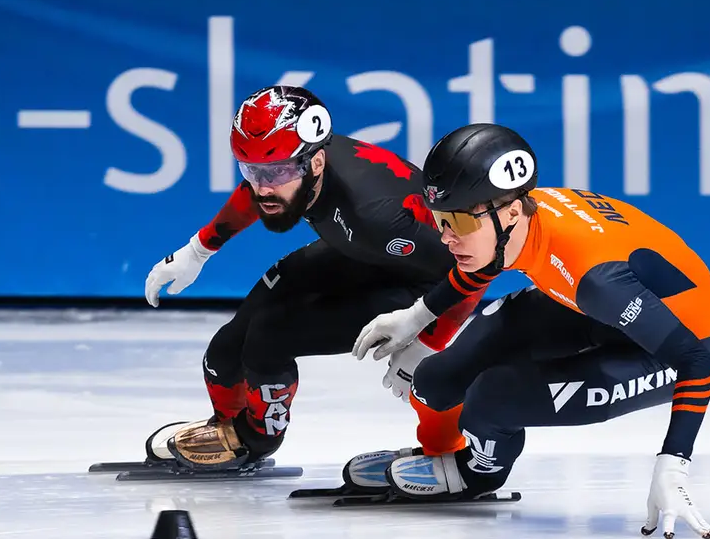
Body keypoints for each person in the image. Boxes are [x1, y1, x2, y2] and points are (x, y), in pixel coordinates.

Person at [351, 123, 710, 539]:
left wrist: (673, 464)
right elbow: (485, 262)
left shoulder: (594, 277)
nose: (446, 237)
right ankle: (458, 447)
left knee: (493, 397)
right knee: (436, 379)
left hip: (677, 344)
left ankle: (477, 473)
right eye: (440, 219)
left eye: (457, 221)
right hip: (595, 305)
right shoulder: (515, 218)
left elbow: (698, 362)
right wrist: (417, 317)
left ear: (511, 211)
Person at [142, 86, 484, 470]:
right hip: (359, 254)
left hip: (421, 286)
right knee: (227, 345)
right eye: (250, 169)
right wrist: (198, 250)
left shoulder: (377, 213)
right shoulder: (292, 164)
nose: (263, 187)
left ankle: (255, 440)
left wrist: (429, 338)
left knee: (269, 337)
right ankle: (228, 426)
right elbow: (259, 188)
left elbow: (479, 263)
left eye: (277, 172)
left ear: (316, 163)